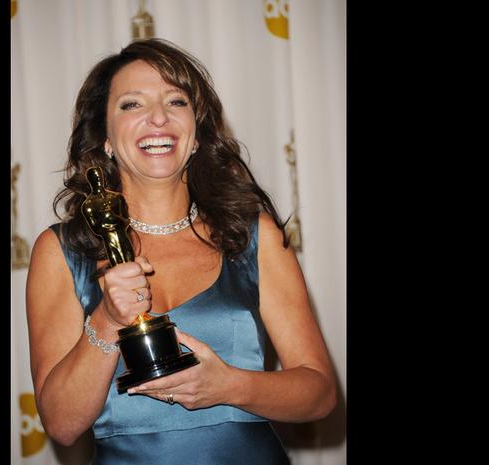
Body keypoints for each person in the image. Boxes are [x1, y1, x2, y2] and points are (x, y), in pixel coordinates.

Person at [26, 38, 336, 465]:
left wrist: (228, 386)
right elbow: (61, 424)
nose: (158, 117)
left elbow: (319, 395)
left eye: (176, 100)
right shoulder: (61, 250)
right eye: (132, 105)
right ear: (105, 137)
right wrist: (107, 318)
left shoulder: (254, 236)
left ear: (196, 134)